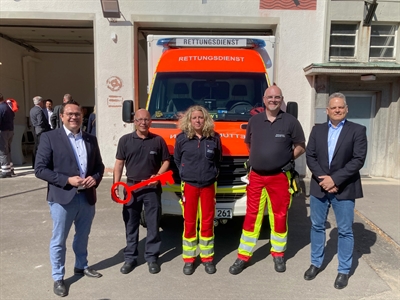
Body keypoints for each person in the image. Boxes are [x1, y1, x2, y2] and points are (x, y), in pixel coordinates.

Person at [229, 85, 306, 275]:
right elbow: (249, 144)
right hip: (256, 177)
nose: (273, 100)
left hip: (279, 176)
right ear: (264, 100)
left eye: (277, 97)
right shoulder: (254, 121)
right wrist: (261, 159)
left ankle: (278, 254)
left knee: (279, 216)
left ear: (281, 99)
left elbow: (300, 146)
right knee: (251, 216)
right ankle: (243, 256)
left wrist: (285, 159)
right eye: (270, 97)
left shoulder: (291, 121)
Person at [35, 99, 105, 297]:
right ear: (63, 117)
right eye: (70, 114)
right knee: (59, 239)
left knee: (82, 236)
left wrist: (95, 178)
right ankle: (58, 277)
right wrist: (67, 180)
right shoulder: (50, 138)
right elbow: (40, 169)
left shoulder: (91, 139)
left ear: (82, 117)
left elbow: (99, 166)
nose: (74, 117)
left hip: (87, 198)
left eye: (78, 114)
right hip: (62, 198)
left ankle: (81, 266)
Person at [304, 92, 367, 289]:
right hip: (320, 187)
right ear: (327, 110)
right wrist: (325, 180)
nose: (337, 110)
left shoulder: (357, 130)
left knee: (346, 230)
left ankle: (344, 270)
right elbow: (310, 156)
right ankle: (315, 263)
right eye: (334, 107)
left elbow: (358, 159)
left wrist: (335, 179)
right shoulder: (317, 130)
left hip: (345, 187)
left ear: (346, 109)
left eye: (341, 107)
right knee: (317, 226)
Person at [113, 108, 170, 275]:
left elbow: (166, 161)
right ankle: (130, 258)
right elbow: (119, 163)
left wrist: (158, 175)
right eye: (140, 120)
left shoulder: (158, 141)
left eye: (146, 119)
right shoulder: (125, 141)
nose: (143, 122)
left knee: (153, 224)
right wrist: (116, 184)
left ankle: (152, 258)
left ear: (150, 121)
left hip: (152, 189)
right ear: (134, 122)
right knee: (131, 223)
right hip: (131, 188)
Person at [174, 105, 222, 275]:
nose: (197, 120)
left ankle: (207, 258)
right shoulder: (181, 139)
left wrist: (212, 173)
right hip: (190, 185)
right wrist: (185, 172)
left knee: (208, 222)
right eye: (194, 118)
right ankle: (189, 260)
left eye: (200, 117)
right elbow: (177, 159)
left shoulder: (214, 138)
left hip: (208, 185)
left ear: (206, 119)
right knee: (189, 223)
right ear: (189, 120)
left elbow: (218, 160)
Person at [30, 96, 51, 168]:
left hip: (35, 130)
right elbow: (41, 122)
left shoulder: (32, 110)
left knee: (36, 147)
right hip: (41, 130)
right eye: (42, 101)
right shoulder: (39, 110)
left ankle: (34, 163)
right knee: (40, 147)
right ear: (40, 102)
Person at [0, 93, 15, 178]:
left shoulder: (0, 108)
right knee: (8, 150)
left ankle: (6, 171)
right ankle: (11, 169)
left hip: (3, 131)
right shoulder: (8, 107)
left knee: (3, 151)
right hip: (10, 131)